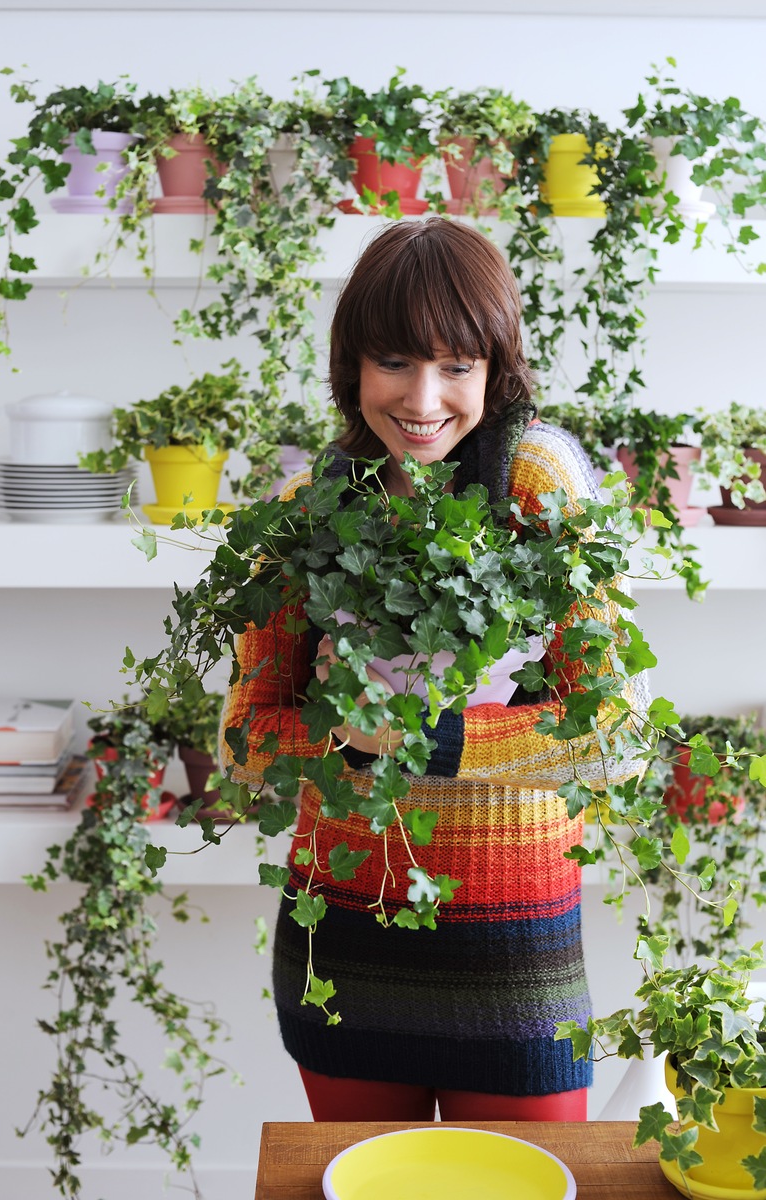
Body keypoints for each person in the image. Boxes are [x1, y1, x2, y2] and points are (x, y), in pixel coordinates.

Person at [219, 218, 649, 1123]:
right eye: (395, 362)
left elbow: (613, 733)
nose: (424, 398)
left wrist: (428, 738)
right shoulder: (306, 508)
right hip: (344, 944)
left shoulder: (535, 480)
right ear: (352, 368)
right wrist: (339, 737)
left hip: (511, 947)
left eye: (457, 366)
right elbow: (245, 740)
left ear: (496, 370)